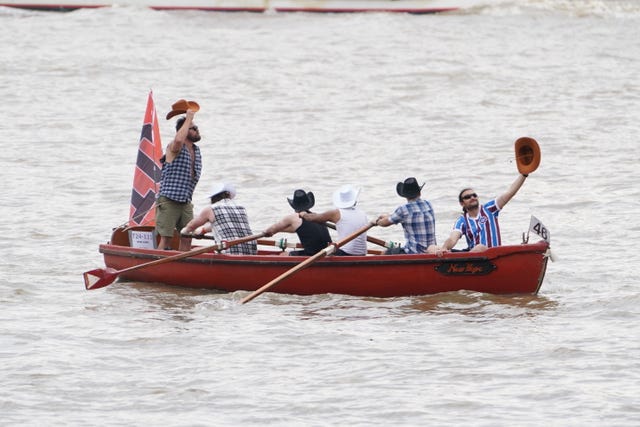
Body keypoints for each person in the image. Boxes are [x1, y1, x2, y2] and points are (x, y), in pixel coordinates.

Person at [433, 173, 529, 255]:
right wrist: (444, 248)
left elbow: (510, 192)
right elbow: (453, 238)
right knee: (431, 248)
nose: (472, 197)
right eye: (467, 197)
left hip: (493, 256)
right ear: (462, 203)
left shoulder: (490, 209)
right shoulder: (462, 220)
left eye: (474, 195)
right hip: (474, 258)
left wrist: (524, 174)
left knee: (480, 247)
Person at [156, 109, 203, 251]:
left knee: (187, 236)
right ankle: (158, 269)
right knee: (166, 239)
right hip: (169, 199)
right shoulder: (175, 147)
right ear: (185, 130)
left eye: (196, 128)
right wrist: (188, 118)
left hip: (186, 201)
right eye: (193, 128)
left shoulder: (196, 150)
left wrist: (189, 122)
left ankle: (184, 266)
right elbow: (178, 139)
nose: (197, 130)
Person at [180, 182, 257, 255]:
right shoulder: (241, 208)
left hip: (229, 251)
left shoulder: (211, 209)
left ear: (213, 198)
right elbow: (225, 224)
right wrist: (203, 230)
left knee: (194, 251)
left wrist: (184, 232)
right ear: (229, 195)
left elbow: (191, 226)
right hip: (252, 250)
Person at [299, 184, 368, 256]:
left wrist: (303, 214)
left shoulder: (336, 213)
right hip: (362, 254)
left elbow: (312, 218)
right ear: (354, 199)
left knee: (319, 251)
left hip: (345, 253)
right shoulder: (362, 213)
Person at [373, 177, 437, 254]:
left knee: (384, 254)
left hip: (413, 252)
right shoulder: (428, 204)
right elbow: (402, 216)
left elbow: (385, 223)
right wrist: (387, 216)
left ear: (405, 196)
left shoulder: (404, 209)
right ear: (420, 193)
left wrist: (376, 221)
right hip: (432, 251)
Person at [263, 189, 332, 256]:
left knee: (283, 255)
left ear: (294, 206)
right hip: (326, 253)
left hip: (312, 256)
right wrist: (277, 231)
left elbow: (271, 229)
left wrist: (266, 232)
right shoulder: (316, 216)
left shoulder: (294, 217)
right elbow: (298, 229)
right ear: (308, 205)